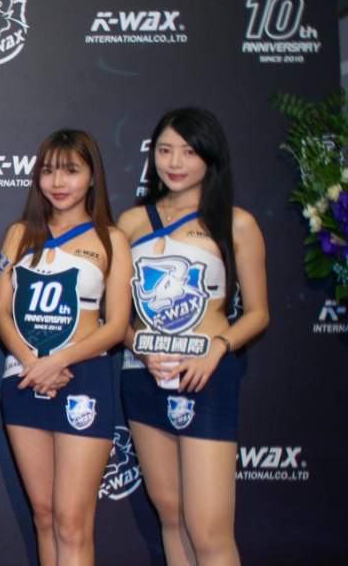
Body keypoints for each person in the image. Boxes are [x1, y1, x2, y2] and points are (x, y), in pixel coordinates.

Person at [118, 108, 268, 566]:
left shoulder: (236, 223)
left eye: (187, 151)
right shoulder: (131, 223)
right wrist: (138, 348)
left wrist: (217, 350)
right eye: (165, 150)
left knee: (208, 528)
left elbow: (258, 313)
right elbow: (115, 316)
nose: (174, 162)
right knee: (171, 514)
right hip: (144, 376)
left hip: (206, 377)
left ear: (209, 155)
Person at [0, 130, 131, 565]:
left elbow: (117, 325)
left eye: (71, 170)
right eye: (49, 171)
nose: (58, 182)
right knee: (44, 515)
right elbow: (1, 312)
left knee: (72, 521)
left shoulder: (111, 239)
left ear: (91, 177)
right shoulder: (19, 234)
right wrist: (32, 362)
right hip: (24, 378)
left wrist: (59, 361)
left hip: (82, 378)